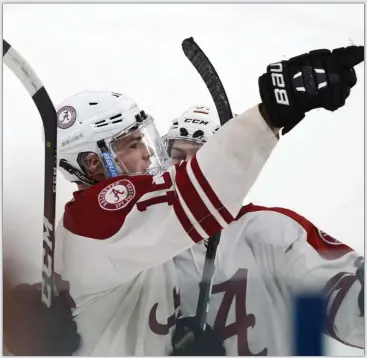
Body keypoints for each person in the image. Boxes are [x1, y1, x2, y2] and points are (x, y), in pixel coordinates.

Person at [3, 45, 363, 356]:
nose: (150, 155)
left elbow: (345, 308)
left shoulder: (263, 232)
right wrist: (272, 113)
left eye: (204, 154)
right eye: (132, 144)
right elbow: (189, 193)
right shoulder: (102, 217)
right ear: (95, 162)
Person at [163, 106, 364, 353]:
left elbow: (341, 305)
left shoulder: (272, 229)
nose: (186, 168)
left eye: (201, 157)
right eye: (177, 155)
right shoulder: (148, 244)